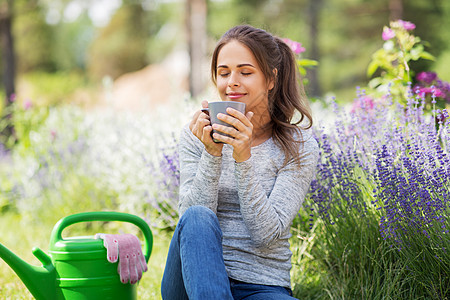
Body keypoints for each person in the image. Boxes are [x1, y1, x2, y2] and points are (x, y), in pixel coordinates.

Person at [161, 24, 319, 300]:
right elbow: (190, 221)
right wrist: (212, 153)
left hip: (261, 286)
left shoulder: (299, 146)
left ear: (271, 79)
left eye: (245, 72)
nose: (231, 82)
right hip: (192, 280)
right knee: (198, 215)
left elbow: (266, 235)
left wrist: (242, 157)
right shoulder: (196, 134)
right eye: (223, 73)